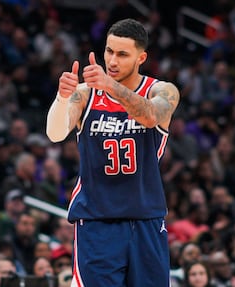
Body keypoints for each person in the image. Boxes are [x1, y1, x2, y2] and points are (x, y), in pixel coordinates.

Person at [46, 18, 180, 287]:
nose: (113, 61)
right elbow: (56, 133)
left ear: (141, 57)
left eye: (122, 54)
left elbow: (151, 116)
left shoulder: (162, 90)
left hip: (146, 218)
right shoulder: (86, 94)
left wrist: (111, 87)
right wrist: (62, 97)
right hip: (97, 220)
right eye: (109, 51)